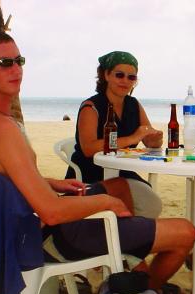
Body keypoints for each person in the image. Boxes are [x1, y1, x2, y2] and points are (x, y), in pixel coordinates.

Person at [0, 31, 195, 294]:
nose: (16, 70)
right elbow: (51, 212)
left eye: (19, 61)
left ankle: (131, 264)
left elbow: (2, 179)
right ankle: (137, 292)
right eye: (4, 63)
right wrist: (106, 203)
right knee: (186, 232)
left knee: (119, 187)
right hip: (48, 235)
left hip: (26, 228)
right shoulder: (1, 128)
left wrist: (51, 182)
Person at [65, 51, 163, 219]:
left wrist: (155, 139)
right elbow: (88, 148)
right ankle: (123, 238)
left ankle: (125, 238)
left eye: (131, 77)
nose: (125, 81)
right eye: (119, 75)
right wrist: (132, 139)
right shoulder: (91, 106)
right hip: (91, 174)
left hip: (122, 171)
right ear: (106, 75)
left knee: (150, 203)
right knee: (148, 205)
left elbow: (148, 140)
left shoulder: (133, 104)